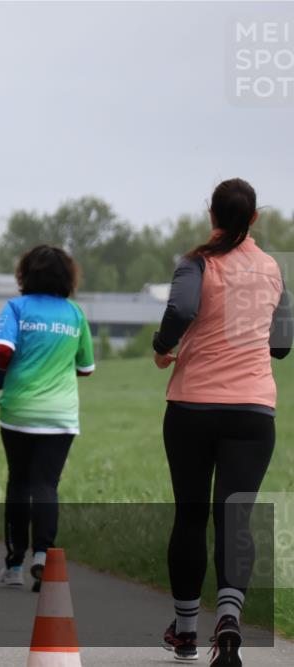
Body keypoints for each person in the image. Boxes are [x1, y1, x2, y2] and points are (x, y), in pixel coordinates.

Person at [152, 178, 291, 664]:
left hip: (192, 408)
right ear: (254, 218)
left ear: (211, 214)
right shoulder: (272, 269)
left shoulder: (197, 262)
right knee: (235, 518)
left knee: (190, 517)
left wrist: (162, 345)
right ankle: (229, 619)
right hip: (253, 412)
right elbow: (281, 343)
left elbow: (183, 308)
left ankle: (186, 630)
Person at [0, 245, 94, 590]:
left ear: (25, 275)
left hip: (18, 409)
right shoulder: (75, 314)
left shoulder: (16, 308)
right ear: (68, 277)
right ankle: (43, 557)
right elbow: (86, 368)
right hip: (60, 414)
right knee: (46, 485)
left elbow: (1, 349)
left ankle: (14, 564)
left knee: (18, 484)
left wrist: (5, 371)